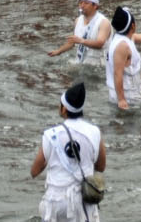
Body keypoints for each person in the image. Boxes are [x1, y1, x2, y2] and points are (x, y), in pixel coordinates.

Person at [29, 82, 105, 222]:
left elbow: (34, 171)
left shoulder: (51, 135)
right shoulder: (94, 132)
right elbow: (101, 166)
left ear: (64, 109)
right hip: (84, 200)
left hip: (56, 202)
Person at [47, 0, 112, 66]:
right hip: (82, 63)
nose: (82, 6)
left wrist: (81, 41)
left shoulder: (104, 22)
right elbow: (73, 42)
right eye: (80, 2)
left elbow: (100, 44)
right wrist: (58, 51)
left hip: (100, 66)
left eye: (86, 3)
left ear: (95, 5)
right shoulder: (78, 21)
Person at [105, 7, 141, 111]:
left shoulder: (117, 38)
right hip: (128, 94)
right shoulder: (123, 46)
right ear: (133, 26)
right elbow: (118, 73)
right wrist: (121, 99)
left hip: (117, 91)